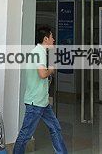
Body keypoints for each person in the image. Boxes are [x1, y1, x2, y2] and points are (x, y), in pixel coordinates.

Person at [13, 26, 67, 154]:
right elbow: (42, 74)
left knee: (55, 128)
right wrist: (51, 70)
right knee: (25, 135)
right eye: (52, 37)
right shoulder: (39, 52)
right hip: (35, 103)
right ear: (45, 39)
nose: (54, 40)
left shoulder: (39, 52)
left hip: (42, 101)